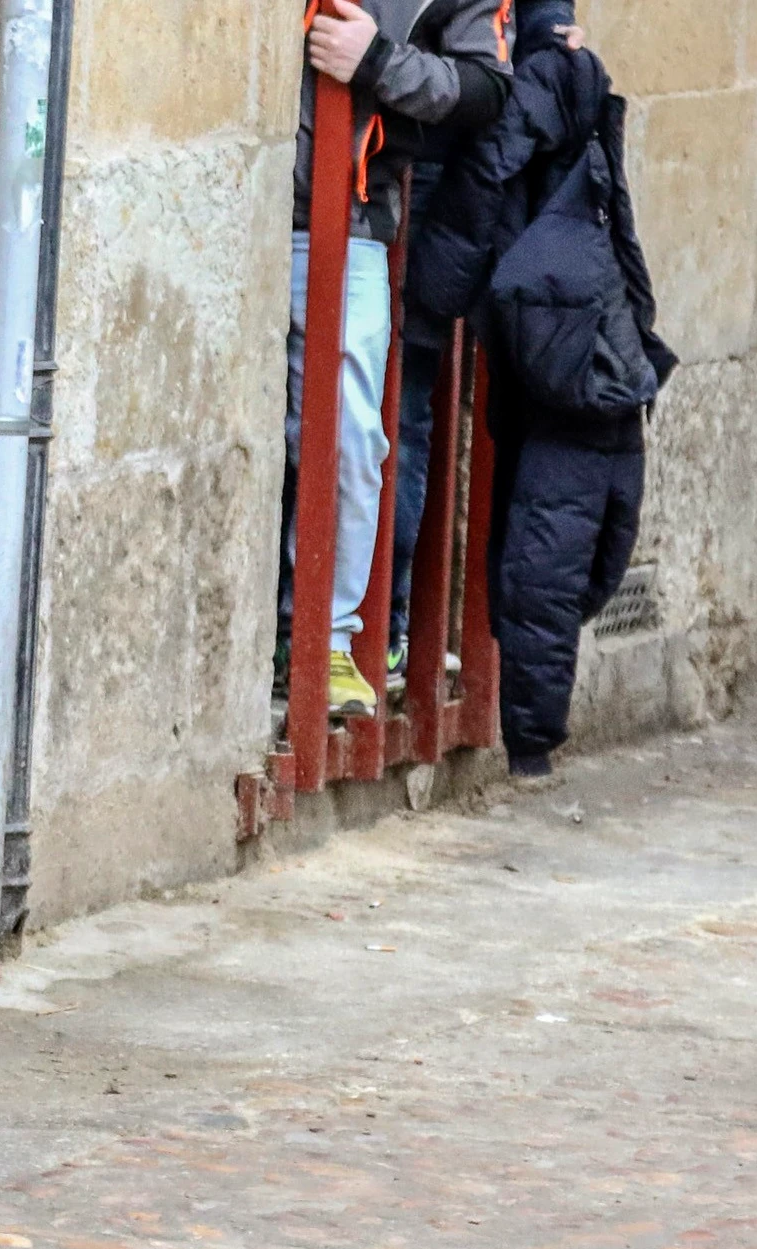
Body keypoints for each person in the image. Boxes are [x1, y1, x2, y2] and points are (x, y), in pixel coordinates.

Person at [409, 1, 676, 782]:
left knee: (548, 541)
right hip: (582, 347)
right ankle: (528, 722)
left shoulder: (552, 93)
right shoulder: (571, 98)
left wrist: (433, 298)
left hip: (567, 351)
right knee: (554, 541)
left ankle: (527, 724)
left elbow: (482, 185)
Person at [284, 0, 512, 717]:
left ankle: (321, 638)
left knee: (351, 438)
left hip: (347, 214)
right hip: (228, 199)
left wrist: (379, 62)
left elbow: (487, 88)